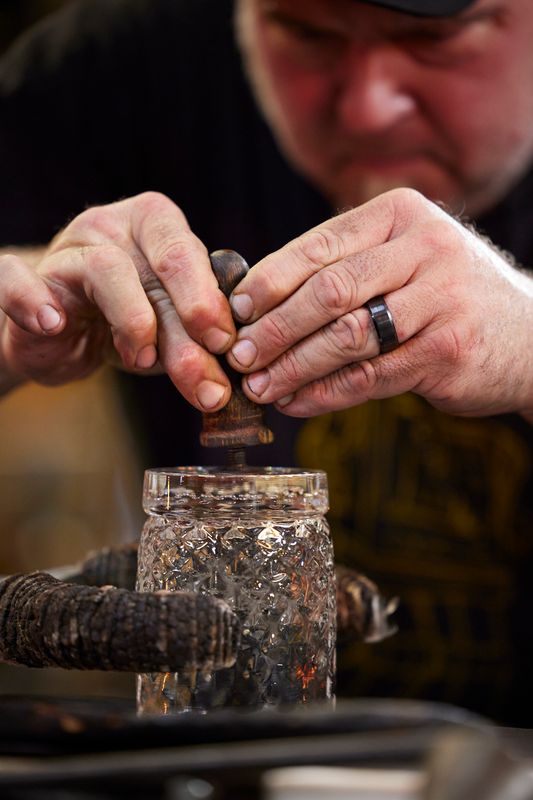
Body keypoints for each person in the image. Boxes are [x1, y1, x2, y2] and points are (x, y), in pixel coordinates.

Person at [0, 0, 532, 724]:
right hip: (225, 748)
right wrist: (26, 313)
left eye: (433, 38)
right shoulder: (118, 69)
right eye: (307, 33)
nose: (368, 107)